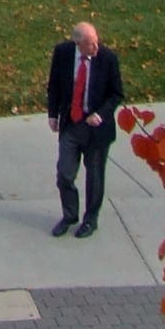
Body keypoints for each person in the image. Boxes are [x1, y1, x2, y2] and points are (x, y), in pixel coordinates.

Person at [45, 18, 124, 236]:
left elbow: (116, 94)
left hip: (96, 130)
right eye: (91, 44)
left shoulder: (107, 59)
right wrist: (53, 114)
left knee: (95, 177)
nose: (96, 47)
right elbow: (54, 85)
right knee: (64, 173)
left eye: (97, 42)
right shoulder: (63, 53)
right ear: (78, 44)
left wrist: (100, 114)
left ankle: (90, 219)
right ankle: (69, 215)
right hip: (71, 125)